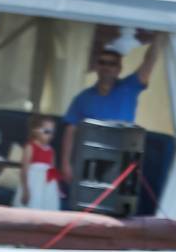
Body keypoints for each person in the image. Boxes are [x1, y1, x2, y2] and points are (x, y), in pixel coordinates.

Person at [59, 35, 162, 185]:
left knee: (115, 205)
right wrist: (65, 163)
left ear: (119, 69)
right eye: (102, 62)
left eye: (112, 64)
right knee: (86, 203)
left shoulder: (130, 87)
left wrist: (160, 36)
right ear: (97, 66)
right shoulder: (82, 98)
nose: (106, 67)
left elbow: (149, 61)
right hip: (88, 161)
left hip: (121, 160)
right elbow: (70, 131)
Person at [15, 115, 62, 210]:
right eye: (47, 131)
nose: (50, 135)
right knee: (31, 207)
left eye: (52, 133)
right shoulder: (30, 147)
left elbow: (52, 170)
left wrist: (56, 188)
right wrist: (25, 189)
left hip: (47, 187)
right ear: (35, 130)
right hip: (33, 184)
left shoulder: (51, 151)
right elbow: (24, 170)